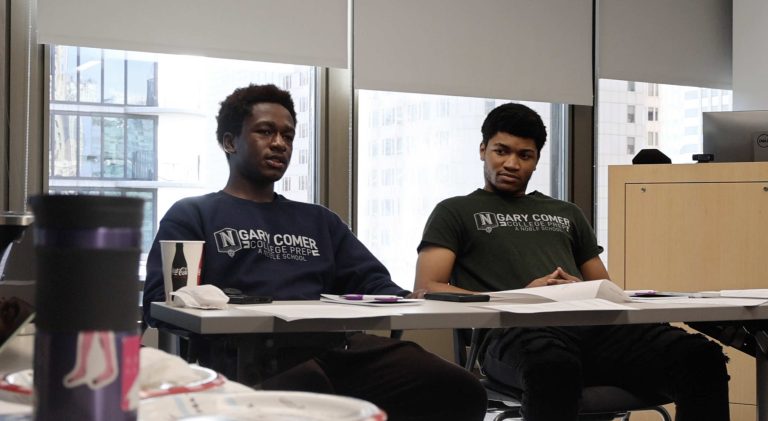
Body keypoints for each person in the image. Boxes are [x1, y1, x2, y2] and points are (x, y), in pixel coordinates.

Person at [142, 84, 486, 421]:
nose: (279, 144)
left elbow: (375, 283)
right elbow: (162, 302)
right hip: (248, 353)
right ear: (230, 142)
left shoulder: (319, 220)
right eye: (265, 132)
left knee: (459, 389)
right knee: (309, 391)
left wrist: (415, 298)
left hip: (337, 348)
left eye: (288, 136)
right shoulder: (193, 215)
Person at [414, 102, 730, 421]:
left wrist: (580, 289)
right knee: (554, 368)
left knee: (700, 357)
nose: (511, 163)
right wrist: (522, 296)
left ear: (536, 160)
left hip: (591, 328)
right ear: (483, 150)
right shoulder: (454, 211)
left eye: (525, 155)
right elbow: (427, 288)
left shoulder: (567, 213)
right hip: (511, 332)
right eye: (501, 151)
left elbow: (605, 287)